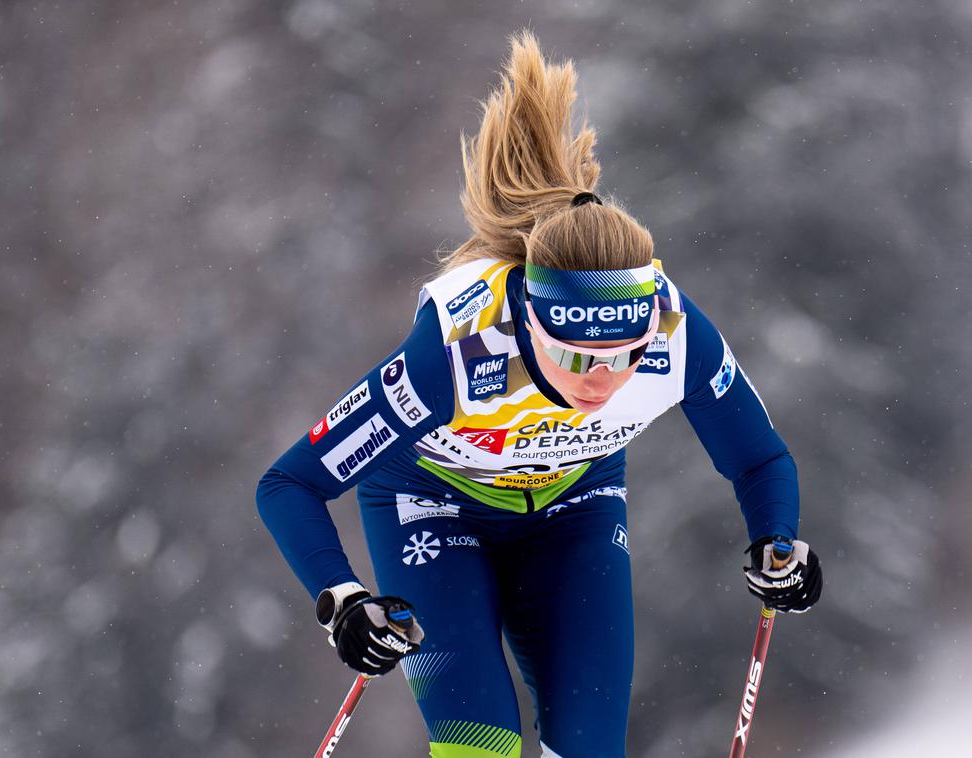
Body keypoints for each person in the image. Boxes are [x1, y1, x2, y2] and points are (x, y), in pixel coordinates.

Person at [256, 30, 822, 758]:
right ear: (528, 319)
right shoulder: (459, 352)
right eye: (573, 353)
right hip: (432, 507)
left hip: (573, 513)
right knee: (481, 746)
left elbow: (761, 461)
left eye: (625, 355)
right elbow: (289, 484)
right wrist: (343, 601)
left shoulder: (678, 334)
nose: (602, 378)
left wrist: (780, 543)